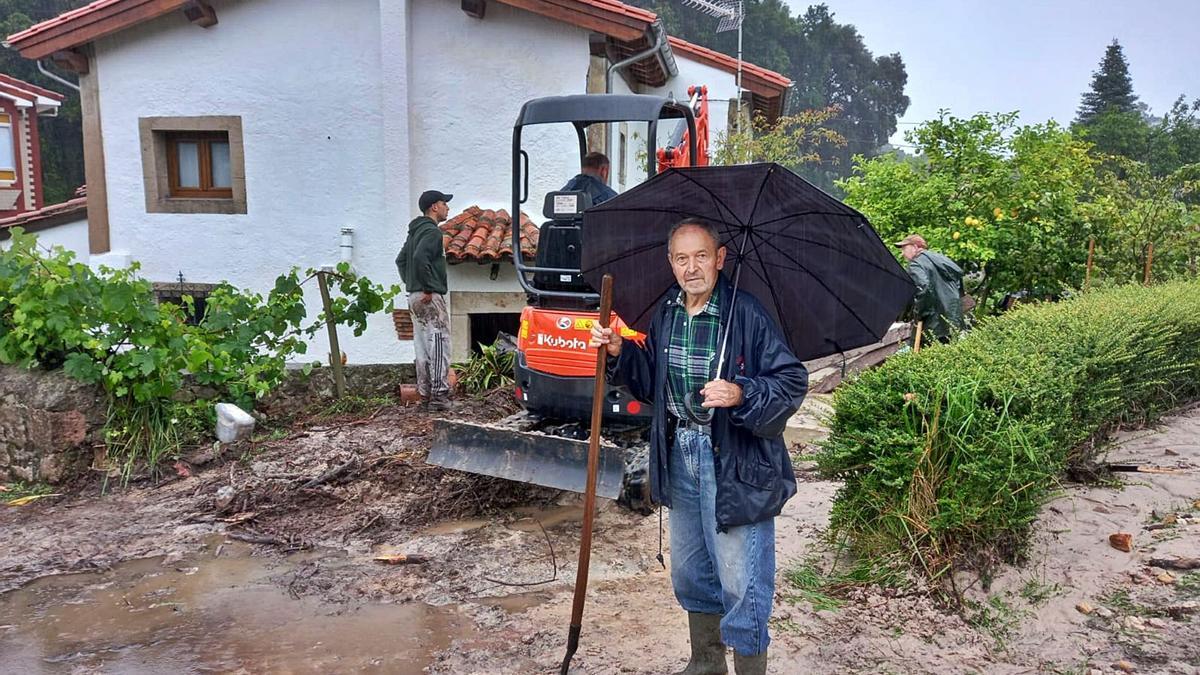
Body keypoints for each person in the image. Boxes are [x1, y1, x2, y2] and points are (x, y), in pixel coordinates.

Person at [589, 218, 808, 675]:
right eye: (682, 258)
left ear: (720, 259)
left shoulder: (745, 313)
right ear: (671, 263)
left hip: (733, 460)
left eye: (701, 256)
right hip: (679, 453)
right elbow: (652, 380)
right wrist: (619, 353)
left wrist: (742, 392)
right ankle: (706, 662)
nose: (692, 268)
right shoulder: (667, 313)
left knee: (739, 577)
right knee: (692, 569)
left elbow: (791, 381)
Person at [396, 189, 453, 411]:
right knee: (439, 342)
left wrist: (412, 283)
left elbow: (401, 260)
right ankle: (439, 396)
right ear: (434, 207)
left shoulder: (414, 233)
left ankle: (425, 396)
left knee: (421, 345)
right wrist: (428, 286)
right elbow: (420, 257)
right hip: (429, 295)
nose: (448, 207)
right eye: (444, 204)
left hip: (414, 295)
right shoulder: (432, 232)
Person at [895, 234, 967, 343]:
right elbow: (958, 280)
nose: (902, 253)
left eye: (904, 248)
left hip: (933, 325)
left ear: (915, 247)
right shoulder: (940, 259)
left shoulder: (916, 264)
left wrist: (919, 314)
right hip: (953, 319)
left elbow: (923, 288)